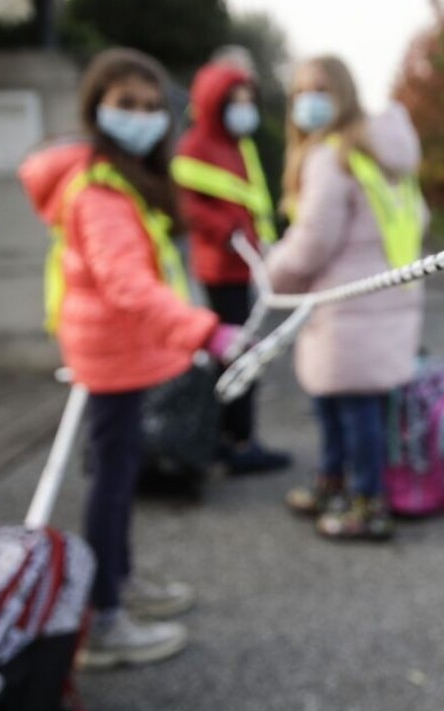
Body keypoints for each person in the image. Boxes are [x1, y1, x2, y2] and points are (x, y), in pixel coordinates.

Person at [19, 48, 241, 668]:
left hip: (122, 348)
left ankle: (117, 580)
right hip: (111, 353)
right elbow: (127, 284)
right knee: (113, 483)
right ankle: (103, 617)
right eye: (126, 105)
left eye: (150, 106)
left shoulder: (122, 180)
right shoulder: (99, 191)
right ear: (96, 109)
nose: (141, 117)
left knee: (119, 475)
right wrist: (203, 331)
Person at [269, 55, 426, 540]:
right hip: (387, 297)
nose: (308, 101)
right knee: (352, 406)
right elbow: (417, 219)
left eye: (320, 90)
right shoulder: (381, 154)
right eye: (300, 92)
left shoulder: (330, 157)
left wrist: (273, 273)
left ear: (344, 93)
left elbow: (313, 241)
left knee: (349, 410)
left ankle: (364, 502)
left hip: (348, 305)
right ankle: (336, 484)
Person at [173, 60, 293, 476]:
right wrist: (225, 230)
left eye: (248, 100)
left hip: (245, 266)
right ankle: (236, 444)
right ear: (215, 103)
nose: (245, 109)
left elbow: (249, 201)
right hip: (222, 269)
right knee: (238, 354)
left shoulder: (237, 146)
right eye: (235, 101)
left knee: (240, 352)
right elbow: (186, 204)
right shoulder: (197, 146)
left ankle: (229, 439)